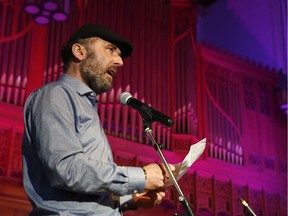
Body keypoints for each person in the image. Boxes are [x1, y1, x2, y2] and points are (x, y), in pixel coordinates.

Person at [22, 24, 175, 216]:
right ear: (79, 51)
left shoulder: (87, 106)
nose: (120, 62)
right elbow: (67, 169)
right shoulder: (55, 95)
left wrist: (131, 199)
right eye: (111, 50)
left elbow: (85, 195)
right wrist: (142, 176)